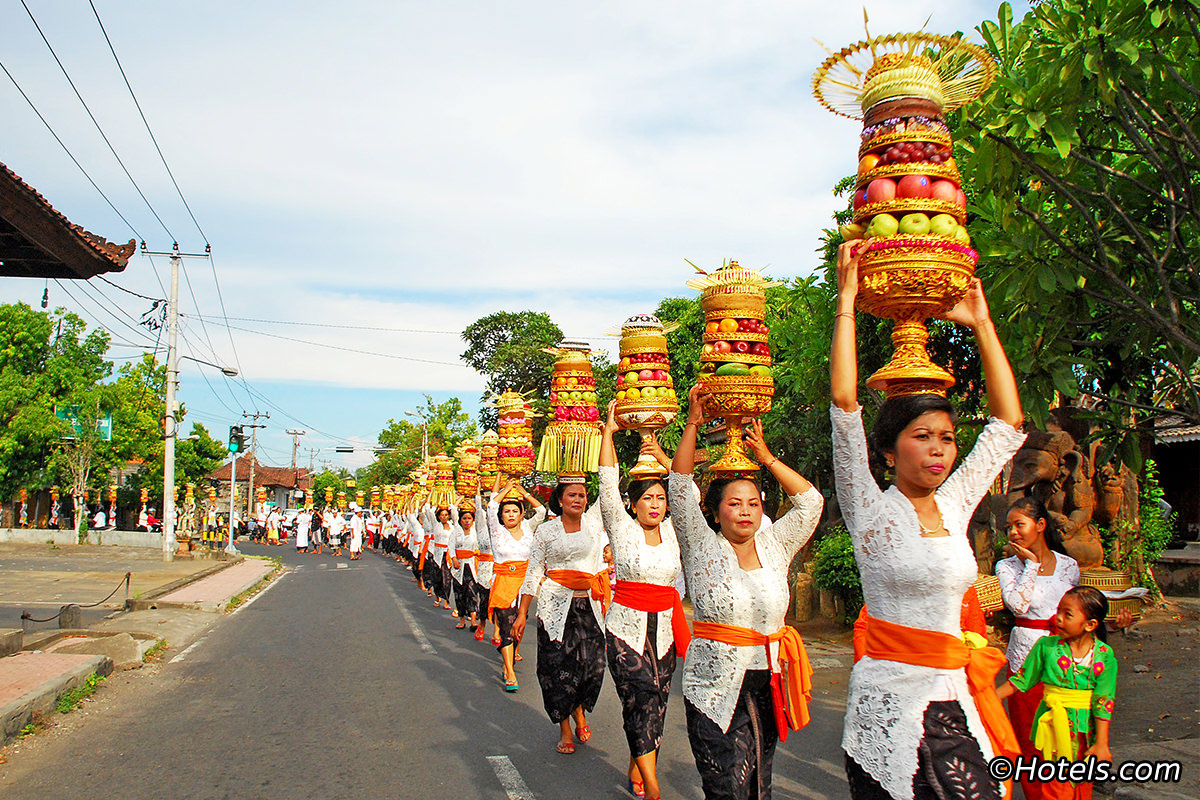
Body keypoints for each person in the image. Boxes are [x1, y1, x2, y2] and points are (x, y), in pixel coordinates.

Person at [831, 238, 1026, 800]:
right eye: (923, 437)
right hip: (888, 703)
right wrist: (847, 299)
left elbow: (1008, 424)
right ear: (889, 451)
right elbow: (845, 402)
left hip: (958, 695)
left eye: (946, 439)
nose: (939, 451)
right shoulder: (869, 506)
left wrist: (982, 325)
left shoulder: (956, 501)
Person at [670, 384, 823, 800]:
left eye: (753, 504)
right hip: (712, 685)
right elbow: (680, 487)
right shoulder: (700, 545)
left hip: (767, 682)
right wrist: (692, 424)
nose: (745, 511)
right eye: (734, 504)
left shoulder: (776, 546)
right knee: (725, 787)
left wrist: (767, 458)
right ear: (716, 512)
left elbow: (810, 503)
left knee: (759, 784)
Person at [599, 404, 688, 800]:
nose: (655, 504)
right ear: (633, 503)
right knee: (640, 698)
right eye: (647, 498)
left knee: (658, 703)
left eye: (660, 498)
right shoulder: (621, 528)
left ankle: (639, 760)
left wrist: (660, 452)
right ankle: (653, 788)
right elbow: (606, 485)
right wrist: (608, 433)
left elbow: (689, 486)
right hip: (624, 632)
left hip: (666, 633)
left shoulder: (673, 531)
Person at [512, 470, 610, 756]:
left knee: (592, 666)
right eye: (572, 495)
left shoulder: (594, 524)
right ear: (560, 499)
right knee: (557, 669)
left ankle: (580, 708)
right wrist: (522, 613)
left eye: (582, 495)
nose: (578, 499)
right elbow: (533, 573)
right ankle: (565, 727)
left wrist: (605, 435)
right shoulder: (546, 531)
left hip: (589, 606)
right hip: (555, 608)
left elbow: (608, 486)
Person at [997, 586, 1117, 799]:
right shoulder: (1046, 646)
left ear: (1091, 625)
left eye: (1067, 614)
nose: (1058, 618)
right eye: (1058, 611)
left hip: (1085, 733)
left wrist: (1101, 743)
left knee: (1081, 785)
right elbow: (1021, 681)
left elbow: (1104, 701)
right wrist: (986, 697)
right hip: (1051, 729)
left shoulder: (1105, 657)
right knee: (1054, 785)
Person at [996, 497, 1080, 800]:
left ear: (1040, 525)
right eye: (1009, 528)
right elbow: (1017, 605)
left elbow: (1079, 611)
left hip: (1065, 660)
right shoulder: (1007, 566)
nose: (1013, 533)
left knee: (1067, 737)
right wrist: (1031, 565)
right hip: (1024, 661)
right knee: (1031, 738)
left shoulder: (1069, 566)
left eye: (1019, 524)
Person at [486, 475, 546, 693]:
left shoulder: (529, 528)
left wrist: (523, 492)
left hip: (524, 586)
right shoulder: (497, 531)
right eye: (507, 512)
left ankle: (507, 659)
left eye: (515, 511)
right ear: (501, 516)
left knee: (518, 626)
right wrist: (505, 484)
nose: (510, 515)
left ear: (522, 515)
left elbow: (541, 512)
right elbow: (491, 504)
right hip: (503, 583)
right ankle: (510, 672)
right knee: (506, 625)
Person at [450, 499, 481, 631]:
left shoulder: (476, 531)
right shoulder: (456, 531)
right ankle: (462, 619)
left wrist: (473, 504)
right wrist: (454, 559)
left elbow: (481, 514)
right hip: (459, 566)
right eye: (464, 518)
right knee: (459, 593)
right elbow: (451, 546)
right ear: (460, 519)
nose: (467, 521)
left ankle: (473, 620)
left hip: (472, 565)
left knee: (472, 592)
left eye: (469, 518)